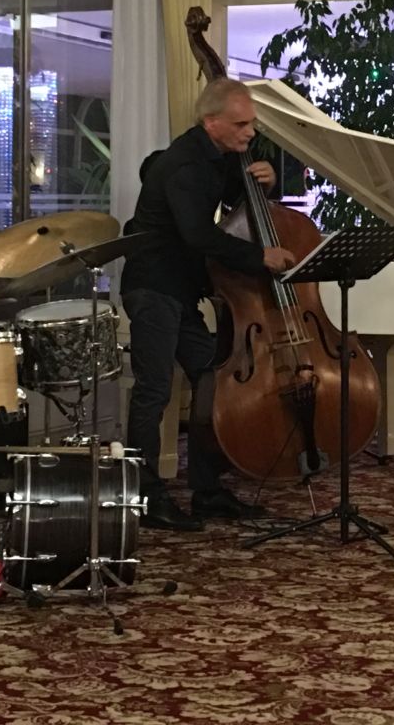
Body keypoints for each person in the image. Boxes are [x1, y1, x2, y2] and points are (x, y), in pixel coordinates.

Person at [120, 78, 296, 530]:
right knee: (154, 390)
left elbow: (242, 207)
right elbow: (199, 235)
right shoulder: (184, 165)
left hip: (180, 289)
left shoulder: (221, 157)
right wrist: (259, 257)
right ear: (211, 121)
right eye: (241, 124)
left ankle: (207, 490)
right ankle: (143, 495)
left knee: (211, 379)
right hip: (153, 286)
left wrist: (267, 181)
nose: (250, 131)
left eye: (252, 123)